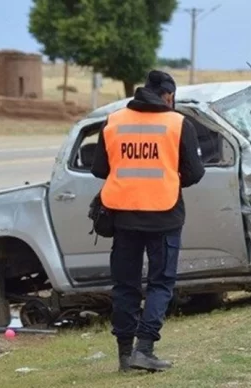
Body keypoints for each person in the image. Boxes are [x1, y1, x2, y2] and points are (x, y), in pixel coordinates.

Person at [90, 70, 205, 373]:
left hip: (123, 216)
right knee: (160, 283)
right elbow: (195, 172)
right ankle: (145, 349)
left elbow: (99, 169)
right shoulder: (178, 124)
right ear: (169, 96)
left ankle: (125, 357)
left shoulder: (113, 121)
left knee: (125, 286)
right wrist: (169, 175)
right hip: (164, 217)